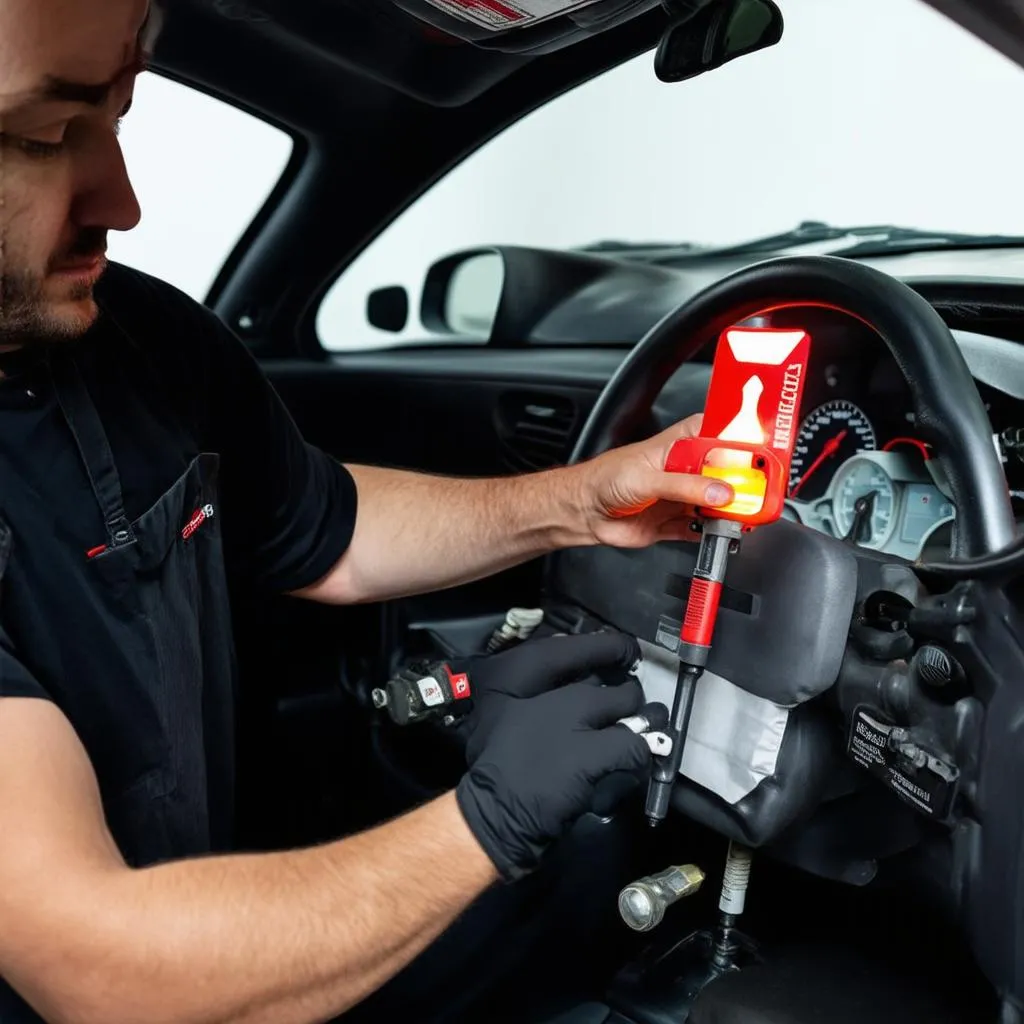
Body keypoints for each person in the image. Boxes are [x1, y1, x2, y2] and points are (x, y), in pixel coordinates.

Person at [0, 1, 732, 1021]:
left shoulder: (144, 342)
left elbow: (330, 534)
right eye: (40, 134)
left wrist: (580, 502)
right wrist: (488, 821)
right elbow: (100, 969)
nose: (120, 202)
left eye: (120, 116)